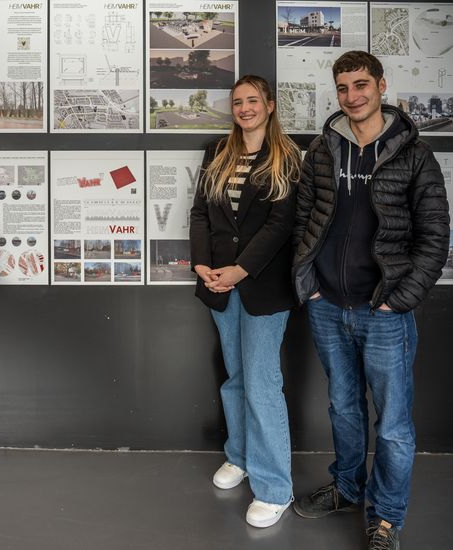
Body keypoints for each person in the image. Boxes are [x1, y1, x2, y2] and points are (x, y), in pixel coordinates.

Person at [292, 51, 449, 550]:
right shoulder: (322, 150)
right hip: (327, 305)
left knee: (395, 425)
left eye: (361, 85)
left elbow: (435, 237)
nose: (352, 96)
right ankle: (347, 488)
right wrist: (309, 286)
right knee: (343, 408)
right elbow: (303, 221)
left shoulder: (414, 155)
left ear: (382, 86)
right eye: (343, 88)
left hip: (384, 310)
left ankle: (386, 518)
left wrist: (398, 300)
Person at [189, 74, 301, 528]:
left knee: (261, 384)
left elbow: (281, 225)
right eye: (238, 102)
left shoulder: (287, 156)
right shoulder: (217, 152)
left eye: (253, 100)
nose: (245, 108)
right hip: (218, 284)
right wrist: (202, 265)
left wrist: (240, 270)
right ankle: (240, 456)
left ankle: (275, 487)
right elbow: (200, 212)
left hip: (262, 287)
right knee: (235, 378)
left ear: (270, 106)